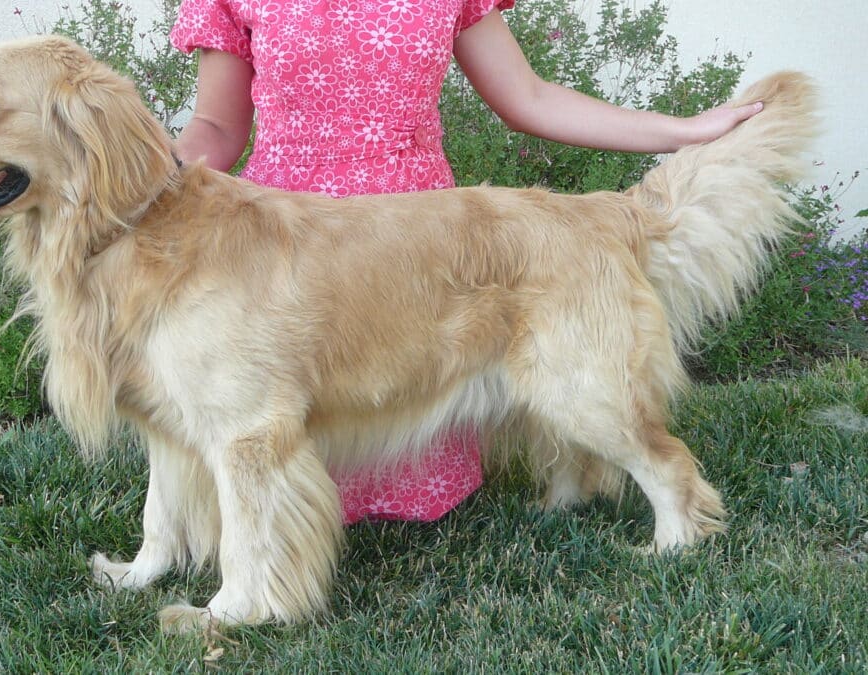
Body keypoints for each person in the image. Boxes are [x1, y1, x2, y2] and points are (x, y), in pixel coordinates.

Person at [169, 0, 762, 525]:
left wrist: (682, 131)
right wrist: (137, 169)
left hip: (427, 244)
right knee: (268, 414)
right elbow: (218, 129)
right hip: (286, 246)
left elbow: (526, 97)